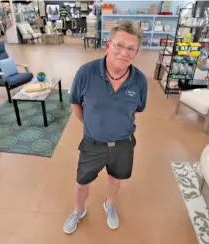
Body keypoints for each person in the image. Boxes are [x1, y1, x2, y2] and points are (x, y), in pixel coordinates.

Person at [63, 19, 148, 234]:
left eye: (131, 48)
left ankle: (109, 204)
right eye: (119, 45)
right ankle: (78, 210)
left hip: (123, 143)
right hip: (93, 143)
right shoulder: (86, 73)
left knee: (115, 179)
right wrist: (92, 126)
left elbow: (137, 110)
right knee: (82, 182)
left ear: (136, 53)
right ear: (108, 45)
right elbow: (75, 103)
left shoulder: (140, 81)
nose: (124, 52)